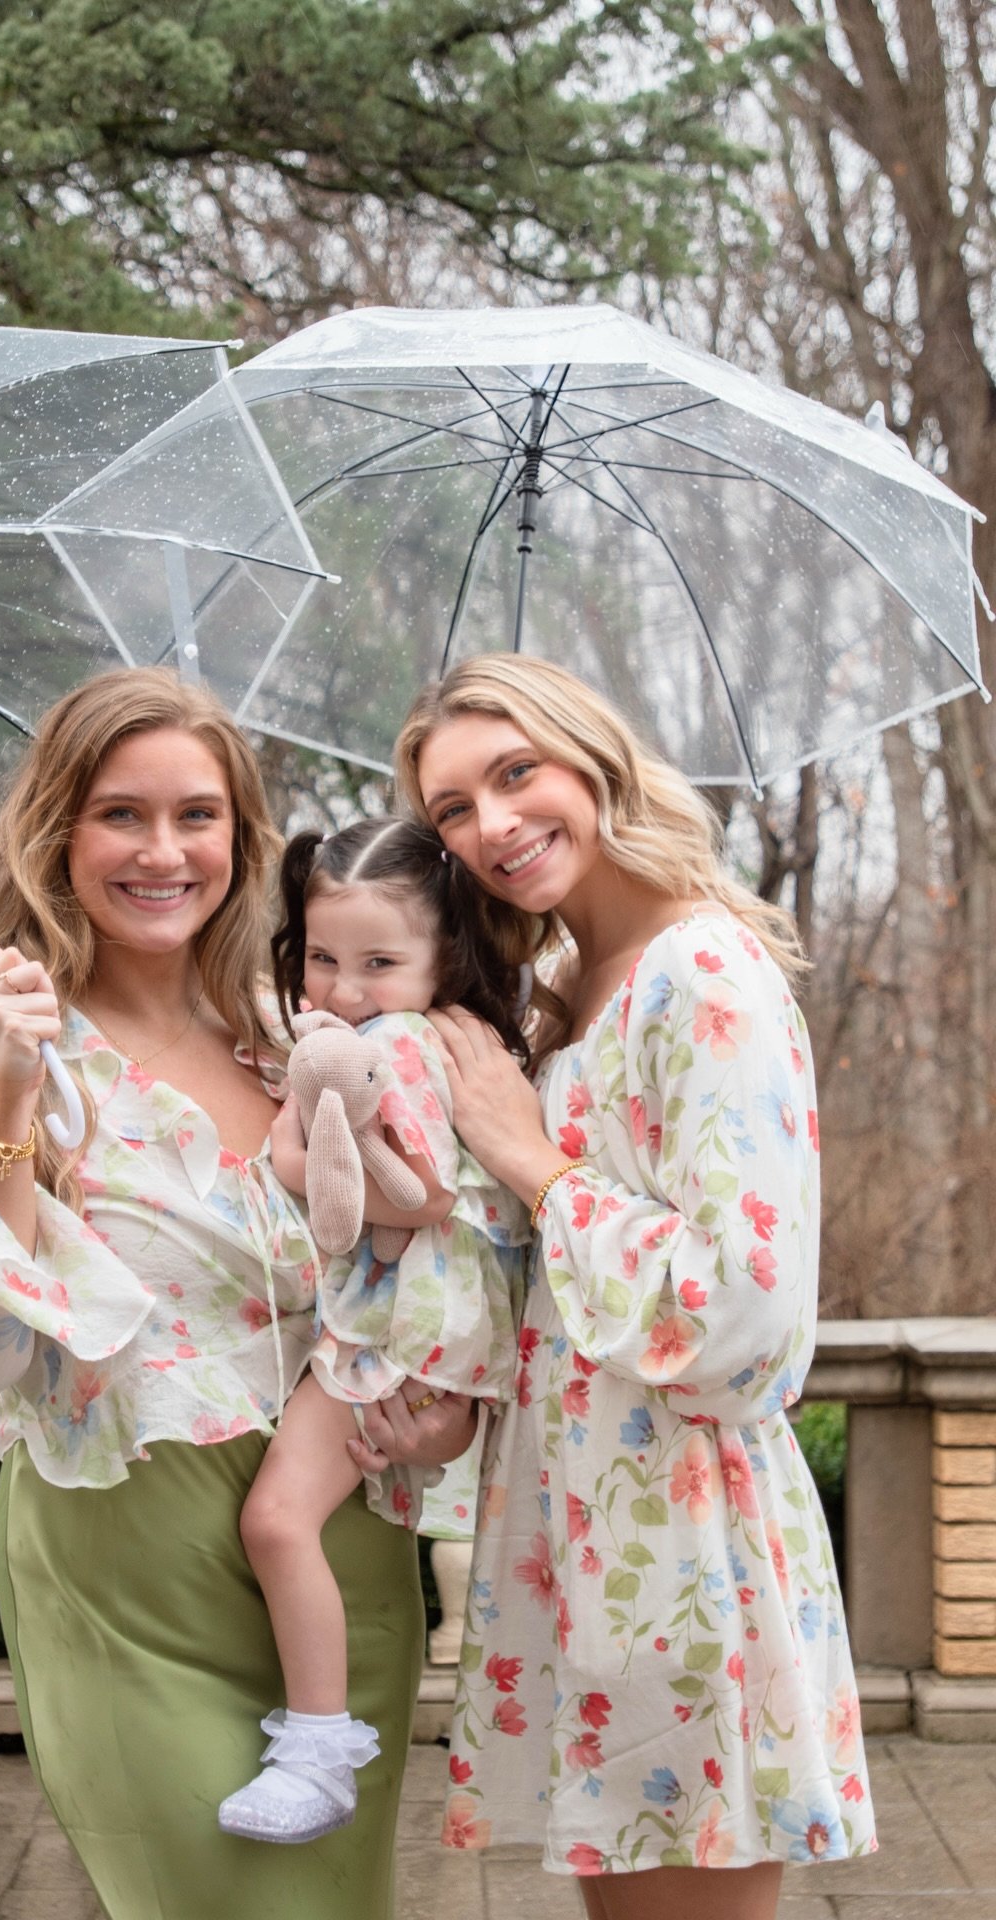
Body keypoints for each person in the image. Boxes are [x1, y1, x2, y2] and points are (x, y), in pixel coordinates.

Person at [0, 667, 425, 1920]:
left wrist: (432, 1407)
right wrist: (9, 1097)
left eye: (197, 815)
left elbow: (413, 1270)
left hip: (339, 1561)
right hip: (124, 1564)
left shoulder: (298, 1036)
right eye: (122, 814)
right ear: (58, 831)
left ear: (241, 834)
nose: (164, 852)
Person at [353, 654, 876, 1919]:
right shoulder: (569, 994)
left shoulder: (704, 972)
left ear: (594, 762)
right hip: (584, 1524)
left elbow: (745, 1310)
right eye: (454, 807)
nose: (492, 824)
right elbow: (546, 1292)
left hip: (684, 1532)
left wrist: (534, 1161)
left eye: (516, 772)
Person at [217, 817, 530, 1845]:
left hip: (398, 1333)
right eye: (324, 958)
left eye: (379, 963)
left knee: (277, 1522)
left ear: (445, 954)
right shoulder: (437, 1037)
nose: (346, 989)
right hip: (435, 1329)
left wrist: (289, 1153)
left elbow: (417, 1196)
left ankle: (317, 1750)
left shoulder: (396, 1045)